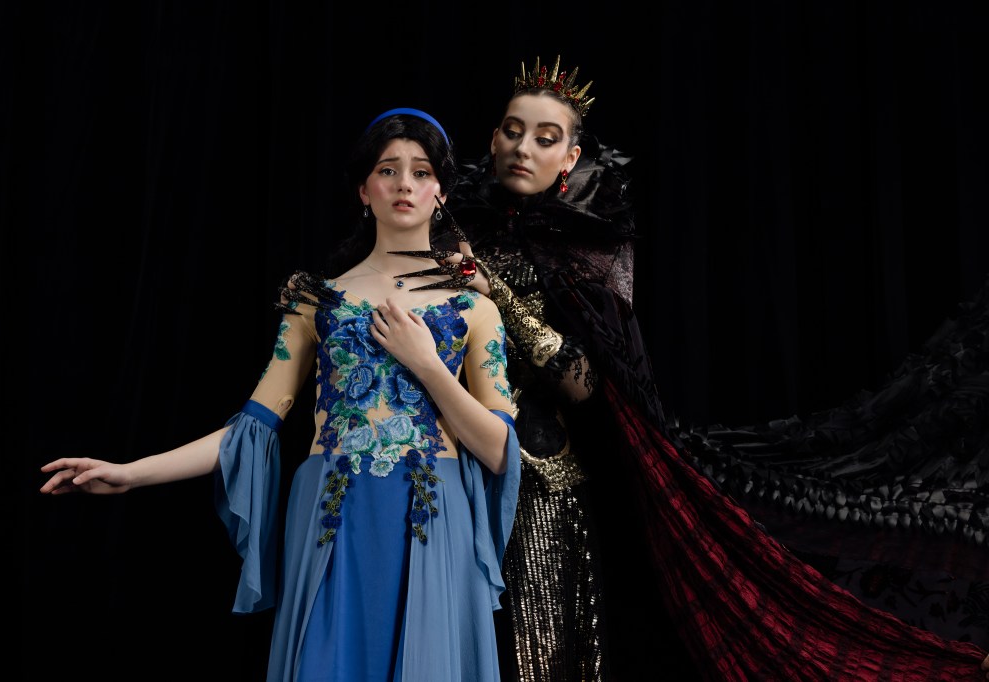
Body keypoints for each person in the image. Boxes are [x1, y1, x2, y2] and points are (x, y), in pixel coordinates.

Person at [391, 56, 989, 680]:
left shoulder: (588, 244)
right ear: (492, 138)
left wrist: (496, 293)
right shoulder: (441, 217)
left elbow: (588, 383)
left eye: (546, 139)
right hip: (438, 460)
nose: (523, 149)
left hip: (540, 478)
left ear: (569, 158)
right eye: (513, 131)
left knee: (534, 657)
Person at [39, 108, 522, 682]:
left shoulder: (475, 309)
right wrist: (130, 473)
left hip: (431, 513)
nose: (405, 184)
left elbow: (498, 450)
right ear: (364, 190)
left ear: (440, 190)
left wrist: (428, 366)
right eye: (388, 170)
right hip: (332, 512)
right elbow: (251, 428)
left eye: (420, 172)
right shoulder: (316, 301)